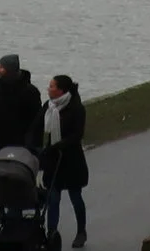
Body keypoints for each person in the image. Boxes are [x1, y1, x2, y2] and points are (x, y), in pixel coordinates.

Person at [41, 75, 88, 248]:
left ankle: (81, 231)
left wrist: (59, 145)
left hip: (71, 160)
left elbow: (77, 135)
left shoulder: (76, 108)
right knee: (52, 198)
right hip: (53, 160)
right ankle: (51, 233)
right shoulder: (49, 106)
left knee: (75, 196)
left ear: (61, 90)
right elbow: (38, 125)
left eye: (52, 86)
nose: (48, 89)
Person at [0, 53, 44, 160]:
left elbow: (37, 122)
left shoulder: (31, 92)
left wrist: (33, 147)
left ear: (9, 70)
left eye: (1, 67)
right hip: (0, 143)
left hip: (23, 146)